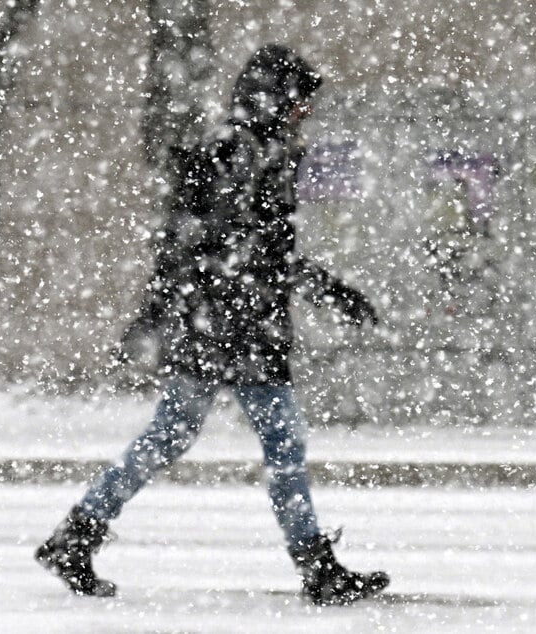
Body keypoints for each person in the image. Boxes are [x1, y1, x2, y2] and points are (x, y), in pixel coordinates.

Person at [35, 44, 389, 606]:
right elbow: (203, 243)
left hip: (225, 322)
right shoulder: (237, 153)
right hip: (235, 325)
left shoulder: (258, 151)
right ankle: (316, 569)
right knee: (277, 443)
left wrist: (325, 289)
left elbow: (248, 247)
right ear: (274, 98)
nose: (305, 114)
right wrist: (170, 307)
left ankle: (76, 534)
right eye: (299, 101)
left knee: (176, 435)